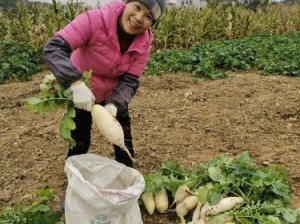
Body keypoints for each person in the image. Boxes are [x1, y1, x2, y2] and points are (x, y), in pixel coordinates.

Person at [43, 0, 165, 168]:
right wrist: (75, 83)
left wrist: (116, 104)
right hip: (82, 91)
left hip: (113, 92)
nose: (138, 18)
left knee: (123, 137)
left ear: (152, 23)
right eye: (137, 7)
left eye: (148, 16)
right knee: (80, 137)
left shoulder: (144, 42)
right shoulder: (94, 20)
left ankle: (127, 168)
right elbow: (53, 49)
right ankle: (75, 173)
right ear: (126, 3)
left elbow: (130, 80)